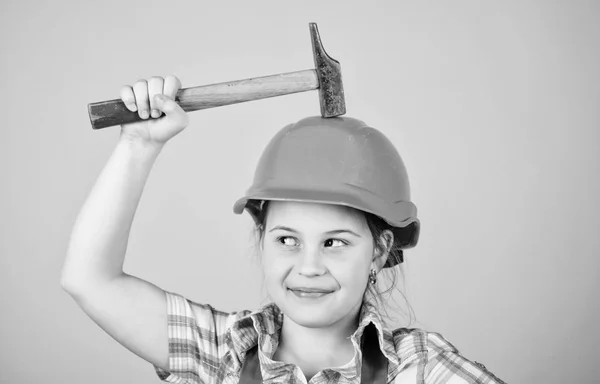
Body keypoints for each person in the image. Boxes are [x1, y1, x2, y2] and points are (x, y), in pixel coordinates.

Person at [61, 75, 505, 384]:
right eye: (287, 239)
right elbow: (89, 280)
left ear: (379, 249)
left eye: (334, 242)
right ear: (262, 236)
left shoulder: (419, 371)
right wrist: (138, 145)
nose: (307, 267)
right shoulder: (222, 354)